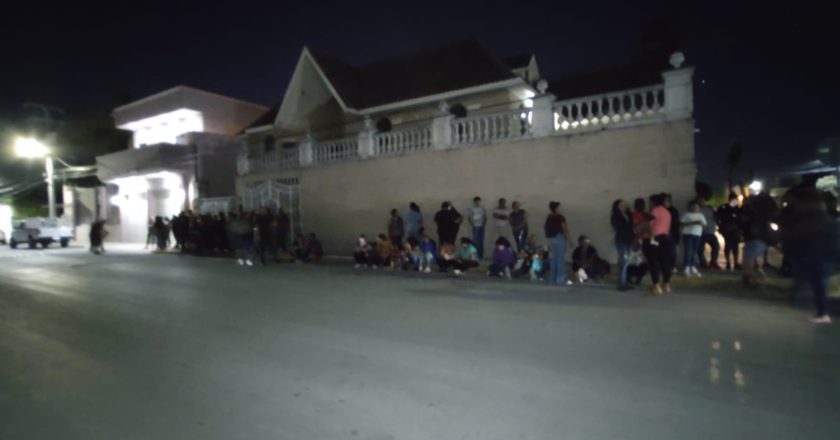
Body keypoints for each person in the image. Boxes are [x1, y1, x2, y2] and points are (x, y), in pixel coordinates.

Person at [781, 187, 838, 324]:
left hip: (818, 256)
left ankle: (822, 312)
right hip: (818, 256)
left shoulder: (818, 218)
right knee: (816, 283)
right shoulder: (819, 216)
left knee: (817, 284)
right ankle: (819, 310)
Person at [741, 194, 779, 287]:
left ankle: (754, 280)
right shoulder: (757, 213)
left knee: (748, 262)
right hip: (754, 240)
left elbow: (757, 228)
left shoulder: (755, 214)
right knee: (749, 261)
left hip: (755, 240)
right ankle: (754, 279)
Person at [645, 194, 674, 294]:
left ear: (654, 202)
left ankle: (656, 285)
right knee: (665, 262)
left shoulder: (655, 210)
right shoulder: (667, 212)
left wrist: (652, 237)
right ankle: (666, 284)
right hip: (666, 238)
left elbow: (650, 224)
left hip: (656, 237)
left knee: (654, 261)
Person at [544, 201, 571, 285]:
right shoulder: (560, 217)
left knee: (554, 259)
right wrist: (569, 239)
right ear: (556, 209)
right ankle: (560, 279)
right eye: (559, 207)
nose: (561, 209)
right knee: (560, 259)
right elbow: (564, 228)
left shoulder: (549, 217)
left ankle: (553, 279)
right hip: (559, 238)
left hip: (550, 239)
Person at [611, 199, 635, 290]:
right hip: (621, 241)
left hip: (628, 240)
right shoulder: (616, 216)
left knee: (625, 262)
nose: (623, 206)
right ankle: (621, 283)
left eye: (624, 205)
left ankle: (624, 281)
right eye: (621, 205)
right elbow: (619, 228)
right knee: (624, 261)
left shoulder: (628, 215)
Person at [716, 193, 743, 271]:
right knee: (729, 246)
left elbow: (740, 220)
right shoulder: (724, 208)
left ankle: (735, 262)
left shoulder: (737, 208)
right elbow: (717, 217)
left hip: (735, 230)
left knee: (735, 247)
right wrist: (721, 227)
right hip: (727, 229)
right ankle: (728, 263)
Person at [680, 200, 707, 277]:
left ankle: (692, 265)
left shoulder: (701, 215)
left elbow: (705, 225)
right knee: (688, 251)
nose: (695, 208)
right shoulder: (686, 215)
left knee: (694, 251)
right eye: (694, 207)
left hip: (697, 234)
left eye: (697, 207)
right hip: (687, 234)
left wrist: (700, 224)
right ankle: (687, 266)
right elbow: (681, 224)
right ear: (690, 207)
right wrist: (693, 223)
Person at [697, 197, 721, 270]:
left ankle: (713, 261)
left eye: (703, 201)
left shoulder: (709, 209)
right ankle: (703, 262)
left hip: (710, 231)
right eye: (700, 201)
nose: (702, 202)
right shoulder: (698, 210)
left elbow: (715, 217)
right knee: (700, 248)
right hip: (702, 232)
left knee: (716, 246)